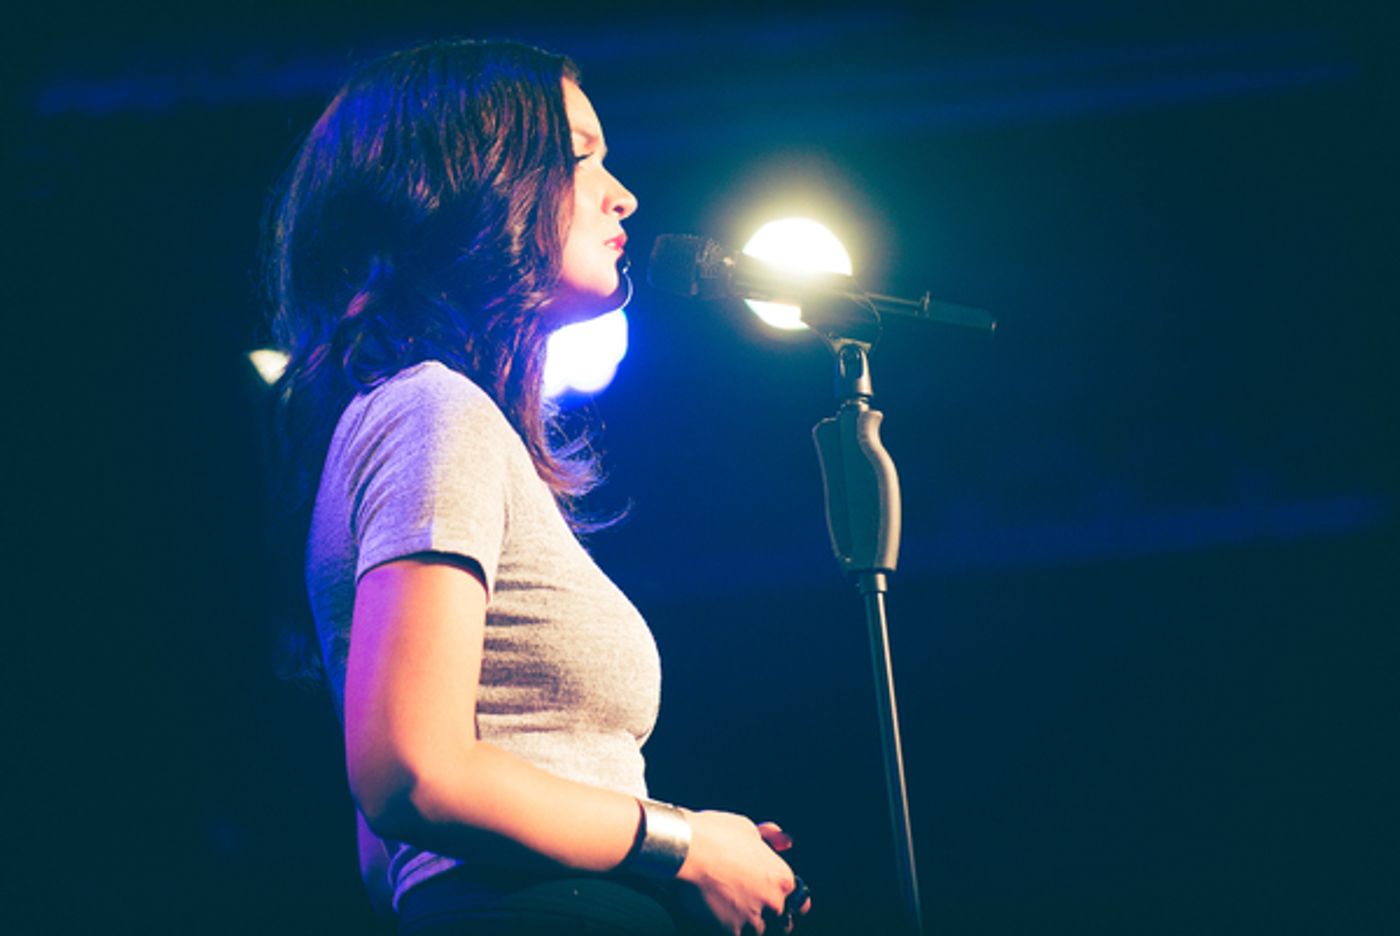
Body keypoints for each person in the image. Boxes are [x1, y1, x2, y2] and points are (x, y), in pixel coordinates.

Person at [263, 38, 810, 935]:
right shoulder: (431, 410)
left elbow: (385, 859)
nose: (620, 192)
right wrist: (685, 844)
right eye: (579, 155)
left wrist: (675, 861)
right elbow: (413, 773)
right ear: (473, 179)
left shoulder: (418, 419)